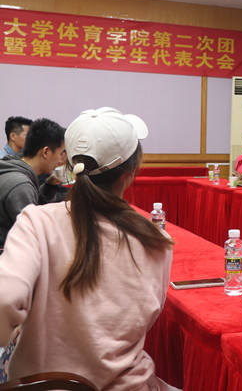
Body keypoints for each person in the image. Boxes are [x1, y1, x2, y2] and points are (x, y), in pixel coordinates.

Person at [0, 107, 173, 389]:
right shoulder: (157, 241)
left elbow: (5, 299)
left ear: (70, 166)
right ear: (130, 173)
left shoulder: (36, 221)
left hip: (43, 383)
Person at [0, 118, 66, 247]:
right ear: (45, 152)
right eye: (60, 153)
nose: (60, 159)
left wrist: (49, 187)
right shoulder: (21, 185)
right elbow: (32, 234)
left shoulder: (13, 169)